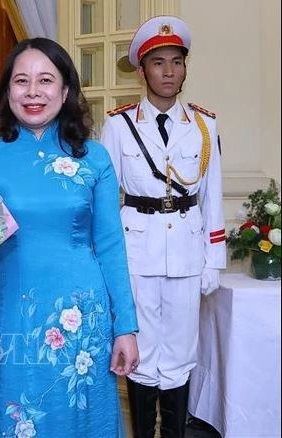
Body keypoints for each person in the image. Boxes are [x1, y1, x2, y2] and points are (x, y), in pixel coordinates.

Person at [0, 37, 139, 437]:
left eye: (45, 80)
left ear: (66, 89)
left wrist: (125, 326)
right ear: (8, 92)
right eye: (21, 81)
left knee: (82, 419)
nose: (33, 92)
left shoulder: (94, 158)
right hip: (12, 317)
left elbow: (111, 247)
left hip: (83, 321)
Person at [100, 16, 226, 438]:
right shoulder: (118, 126)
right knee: (141, 354)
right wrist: (109, 266)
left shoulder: (205, 127)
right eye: (158, 63)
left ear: (186, 68)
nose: (169, 71)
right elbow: (104, 204)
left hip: (189, 254)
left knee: (181, 354)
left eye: (176, 61)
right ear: (142, 70)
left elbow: (212, 197)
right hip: (138, 254)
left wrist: (214, 261)